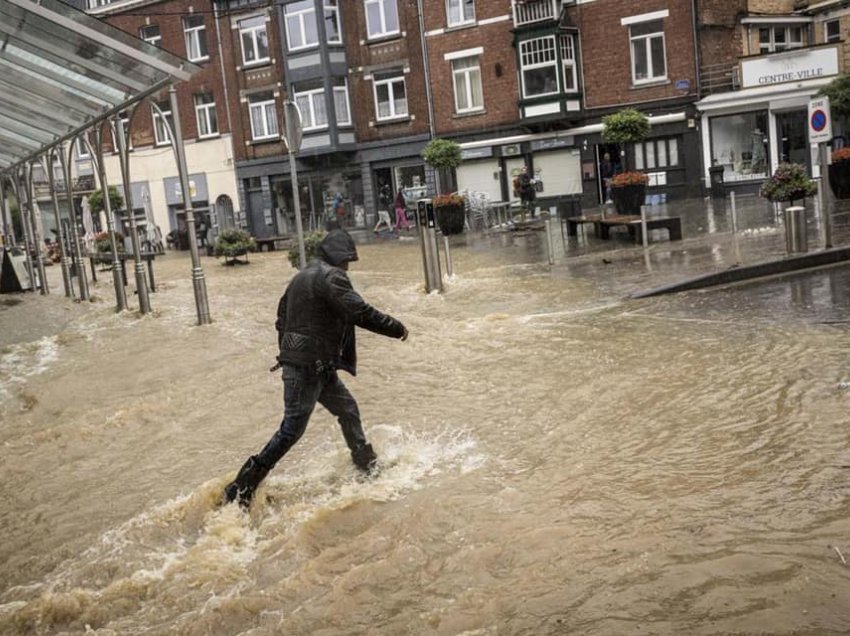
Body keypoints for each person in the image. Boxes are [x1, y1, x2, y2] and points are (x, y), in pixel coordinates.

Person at [223, 229, 409, 509]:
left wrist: (289, 353)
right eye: (347, 260)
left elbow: (280, 318)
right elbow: (359, 311)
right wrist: (397, 328)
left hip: (314, 365)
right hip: (309, 367)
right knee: (291, 430)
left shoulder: (301, 277)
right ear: (338, 257)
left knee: (347, 409)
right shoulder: (331, 276)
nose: (348, 267)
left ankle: (366, 465)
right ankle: (242, 487)